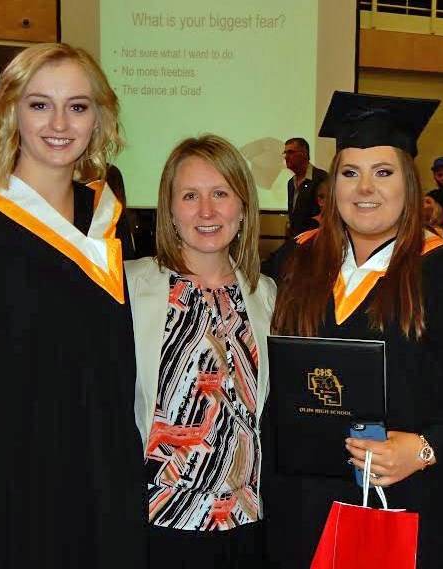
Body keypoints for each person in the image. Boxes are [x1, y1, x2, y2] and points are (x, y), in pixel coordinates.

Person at [0, 43, 146, 567]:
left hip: (101, 488)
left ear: (99, 119)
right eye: (40, 104)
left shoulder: (108, 223)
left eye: (78, 106)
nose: (59, 123)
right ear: (10, 111)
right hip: (7, 497)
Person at [265, 92, 443, 568]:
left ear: (409, 185)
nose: (365, 187)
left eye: (383, 172)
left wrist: (427, 448)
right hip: (301, 502)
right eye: (350, 173)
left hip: (403, 501)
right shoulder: (295, 263)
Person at [125, 134, 276, 568]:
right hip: (157, 524)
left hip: (247, 523)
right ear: (170, 211)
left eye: (220, 194)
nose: (206, 211)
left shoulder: (268, 297)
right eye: (190, 196)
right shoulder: (128, 289)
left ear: (243, 208)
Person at [284, 136, 327, 236]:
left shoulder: (322, 179)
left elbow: (328, 216)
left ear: (304, 154)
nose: (286, 156)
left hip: (316, 241)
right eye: (285, 153)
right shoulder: (291, 183)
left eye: (291, 152)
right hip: (296, 241)